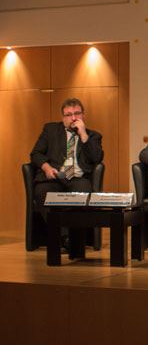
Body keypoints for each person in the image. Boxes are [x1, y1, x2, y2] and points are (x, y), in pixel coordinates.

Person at [30, 98, 104, 251]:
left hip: (77, 177)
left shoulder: (93, 136)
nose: (73, 118)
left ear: (83, 115)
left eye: (77, 114)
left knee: (84, 193)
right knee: (41, 192)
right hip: (54, 177)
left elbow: (96, 158)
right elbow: (35, 153)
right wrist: (46, 167)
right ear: (63, 117)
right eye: (68, 115)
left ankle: (76, 237)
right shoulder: (50, 130)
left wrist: (83, 135)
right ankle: (65, 237)